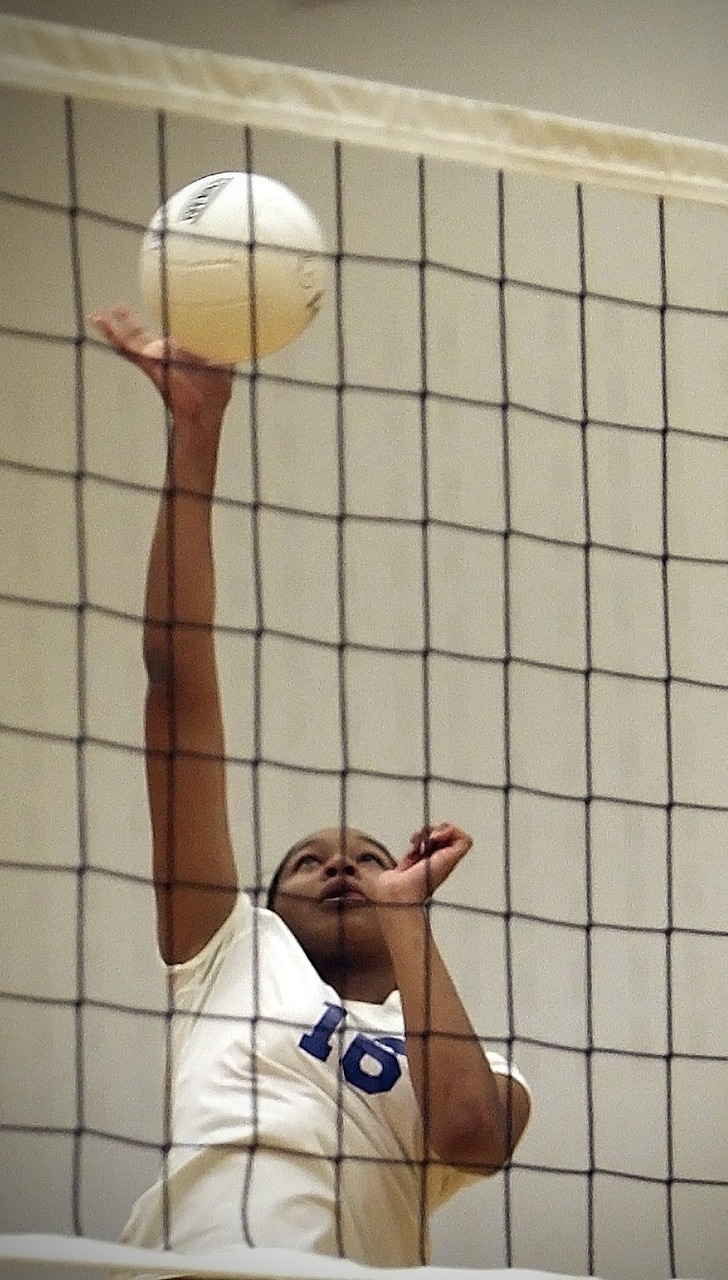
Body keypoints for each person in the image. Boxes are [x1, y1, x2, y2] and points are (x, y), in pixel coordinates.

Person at [90, 307, 531, 1269]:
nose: (339, 866)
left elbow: (469, 1136)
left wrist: (407, 913)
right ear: (269, 905)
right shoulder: (224, 951)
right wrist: (196, 436)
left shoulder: (482, 1068)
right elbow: (178, 689)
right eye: (307, 862)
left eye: (368, 860)